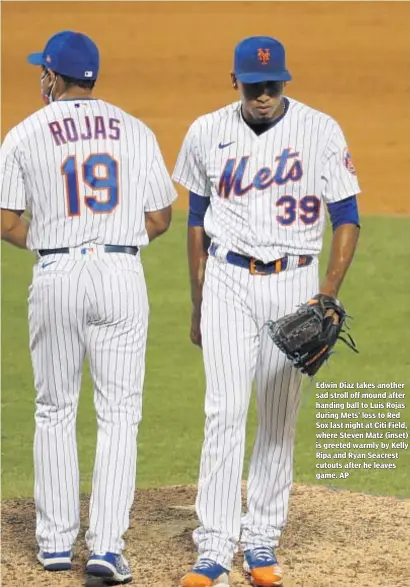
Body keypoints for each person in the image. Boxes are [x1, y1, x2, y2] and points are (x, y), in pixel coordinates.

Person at [172, 36, 360, 587]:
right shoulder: (207, 131)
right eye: (255, 86)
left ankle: (260, 542)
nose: (264, 94)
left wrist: (327, 292)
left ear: (285, 80)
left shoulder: (320, 130)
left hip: (295, 282)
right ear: (236, 82)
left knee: (278, 421)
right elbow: (195, 222)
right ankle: (213, 547)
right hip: (227, 278)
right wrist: (198, 300)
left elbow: (346, 214)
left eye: (274, 84)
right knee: (223, 412)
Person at [1, 30, 177, 584]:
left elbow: (5, 219)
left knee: (54, 408)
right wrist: (112, 244)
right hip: (121, 275)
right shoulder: (136, 129)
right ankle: (106, 548)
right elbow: (160, 218)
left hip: (55, 274)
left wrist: (56, 245)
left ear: (54, 77)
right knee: (119, 415)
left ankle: (54, 544)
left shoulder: (24, 133)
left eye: (44, 72)